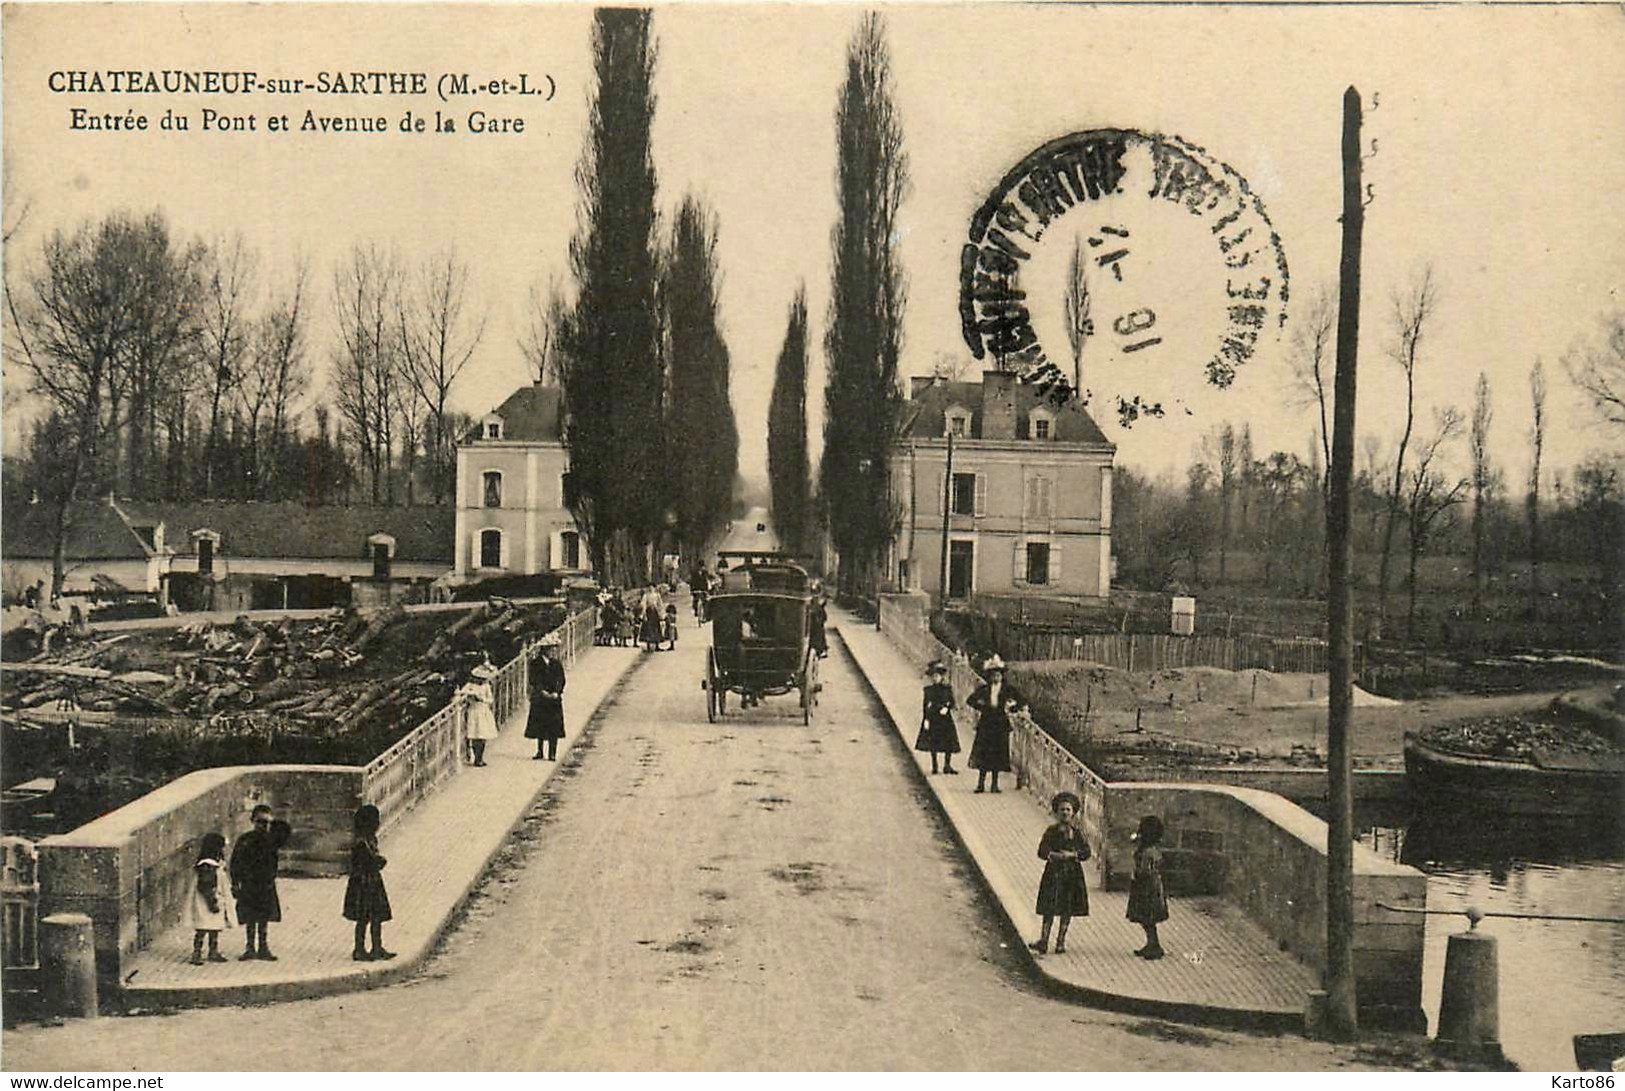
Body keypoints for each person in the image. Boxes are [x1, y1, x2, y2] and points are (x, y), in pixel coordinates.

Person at [1031, 792, 1091, 955]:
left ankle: (1060, 942)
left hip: (1071, 875)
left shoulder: (1077, 833)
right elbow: (1041, 851)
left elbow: (1086, 852)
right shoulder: (1051, 831)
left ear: (1073, 813)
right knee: (1049, 907)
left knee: (1067, 908)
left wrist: (1072, 855)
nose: (1065, 813)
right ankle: (1043, 940)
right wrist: (1054, 855)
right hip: (1054, 873)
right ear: (1057, 812)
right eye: (1062, 810)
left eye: (1068, 810)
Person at [229, 804, 291, 960]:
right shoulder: (245, 839)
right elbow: (235, 862)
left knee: (264, 917)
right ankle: (250, 947)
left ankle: (263, 947)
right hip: (249, 884)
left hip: (266, 884)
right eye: (260, 821)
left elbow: (286, 831)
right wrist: (235, 882)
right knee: (250, 917)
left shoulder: (271, 839)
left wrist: (272, 822)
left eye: (266, 822)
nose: (263, 825)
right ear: (253, 821)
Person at [343, 803, 395, 961]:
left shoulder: (369, 840)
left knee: (375, 917)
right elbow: (369, 861)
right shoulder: (361, 843)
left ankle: (376, 947)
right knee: (364, 918)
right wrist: (379, 861)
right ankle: (360, 949)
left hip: (371, 882)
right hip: (363, 884)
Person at [966, 656, 1024, 794]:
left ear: (1002, 676)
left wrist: (1011, 708)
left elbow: (1021, 701)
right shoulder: (984, 689)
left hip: (1000, 724)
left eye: (998, 675)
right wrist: (982, 706)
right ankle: (980, 784)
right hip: (986, 723)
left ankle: (994, 784)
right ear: (990, 677)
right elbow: (970, 700)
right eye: (993, 675)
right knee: (984, 753)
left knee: (997, 754)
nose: (996, 678)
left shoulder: (1008, 690)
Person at [1127, 814, 1170, 960]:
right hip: (1154, 885)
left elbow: (1145, 870)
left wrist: (1135, 874)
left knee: (1147, 917)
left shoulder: (1147, 851)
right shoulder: (1153, 848)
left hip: (1146, 886)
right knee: (1149, 918)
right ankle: (1152, 944)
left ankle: (1154, 945)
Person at [188, 832, 232, 965]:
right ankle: (197, 953)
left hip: (213, 897)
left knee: (213, 927)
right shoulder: (208, 865)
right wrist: (212, 901)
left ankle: (211, 951)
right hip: (208, 899)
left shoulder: (211, 864)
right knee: (204, 928)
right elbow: (206, 886)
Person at [915, 660, 961, 775]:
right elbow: (925, 705)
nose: (935, 678)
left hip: (945, 718)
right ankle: (935, 765)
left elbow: (952, 702)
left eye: (937, 676)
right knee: (933, 742)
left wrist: (947, 707)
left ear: (941, 677)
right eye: (933, 676)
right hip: (933, 717)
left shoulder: (947, 689)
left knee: (948, 741)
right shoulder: (928, 690)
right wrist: (926, 719)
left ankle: (947, 765)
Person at [525, 634, 567, 760]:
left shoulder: (556, 664)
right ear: (545, 650)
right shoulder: (536, 663)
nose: (553, 652)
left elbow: (562, 679)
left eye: (554, 650)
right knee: (540, 725)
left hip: (554, 699)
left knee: (554, 725)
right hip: (540, 698)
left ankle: (552, 753)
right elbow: (533, 679)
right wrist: (542, 691)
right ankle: (540, 750)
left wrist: (557, 692)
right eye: (551, 649)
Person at [459, 657, 499, 766]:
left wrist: (482, 699)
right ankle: (475, 757)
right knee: (475, 735)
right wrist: (469, 697)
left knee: (482, 735)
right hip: (473, 711)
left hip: (483, 711)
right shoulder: (470, 686)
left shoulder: (486, 686)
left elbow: (490, 700)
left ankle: (480, 757)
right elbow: (461, 694)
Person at [808, 594, 828, 659]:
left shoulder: (817, 607)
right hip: (817, 624)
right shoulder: (817, 607)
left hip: (816, 624)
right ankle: (820, 650)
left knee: (818, 634)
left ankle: (820, 650)